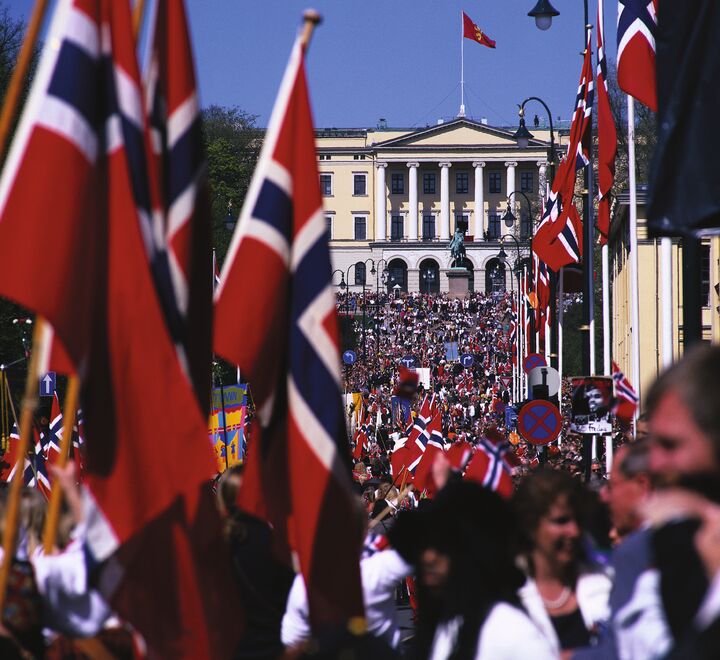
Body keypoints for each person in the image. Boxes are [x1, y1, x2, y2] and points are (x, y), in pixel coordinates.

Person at [389, 481, 555, 659]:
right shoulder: (448, 626)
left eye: (443, 545)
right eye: (426, 544)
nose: (429, 557)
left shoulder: (511, 631)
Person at [514, 469, 611, 656]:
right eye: (561, 521)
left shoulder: (607, 582)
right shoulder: (507, 597)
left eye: (578, 520)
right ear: (530, 526)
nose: (574, 531)